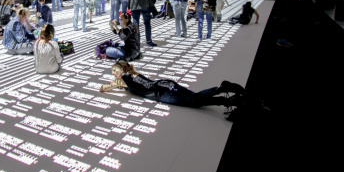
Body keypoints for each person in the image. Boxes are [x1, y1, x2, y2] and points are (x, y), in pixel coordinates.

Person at [99, 60, 246, 112]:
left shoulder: (123, 79)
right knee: (195, 99)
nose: (113, 73)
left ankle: (221, 88)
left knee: (194, 100)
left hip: (163, 94)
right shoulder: (134, 73)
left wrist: (113, 86)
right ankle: (226, 101)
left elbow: (104, 88)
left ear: (121, 70)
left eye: (114, 70)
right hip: (165, 84)